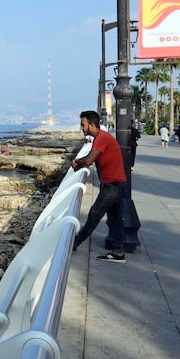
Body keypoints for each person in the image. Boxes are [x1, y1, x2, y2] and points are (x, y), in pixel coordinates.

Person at [71, 110, 127, 262]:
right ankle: (118, 252)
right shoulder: (101, 138)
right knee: (115, 218)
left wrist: (77, 162)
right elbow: (92, 157)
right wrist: (78, 160)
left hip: (112, 185)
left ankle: (74, 243)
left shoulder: (101, 138)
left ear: (92, 124)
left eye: (83, 125)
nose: (81, 128)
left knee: (95, 214)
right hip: (116, 183)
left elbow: (89, 161)